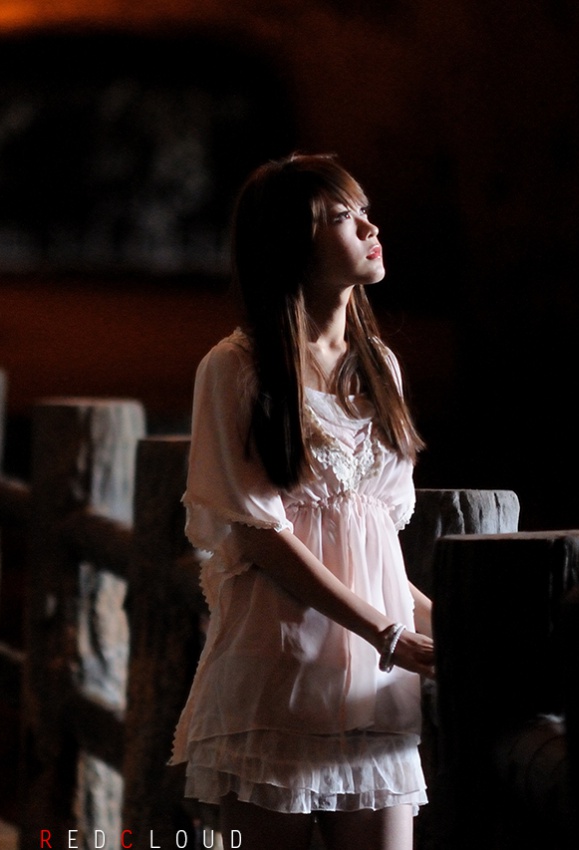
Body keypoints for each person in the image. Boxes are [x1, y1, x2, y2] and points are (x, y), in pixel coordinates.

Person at [170, 152, 435, 850]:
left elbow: (373, 547)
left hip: (374, 692)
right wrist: (388, 634)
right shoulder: (236, 367)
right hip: (278, 678)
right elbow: (259, 536)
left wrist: (440, 628)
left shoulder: (379, 367)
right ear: (292, 244)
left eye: (364, 211)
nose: (370, 227)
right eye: (343, 217)